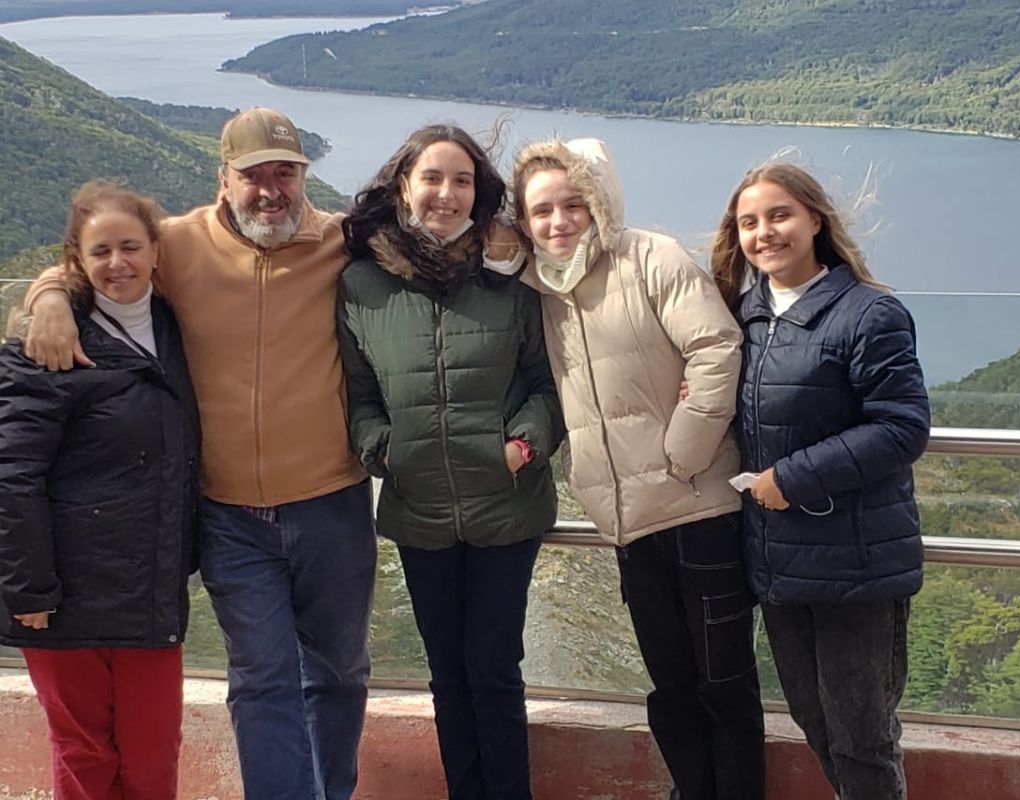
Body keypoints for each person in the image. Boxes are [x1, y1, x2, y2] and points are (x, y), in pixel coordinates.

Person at [20, 108, 376, 800]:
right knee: (263, 678)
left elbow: (441, 248)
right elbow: (92, 259)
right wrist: (49, 298)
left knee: (339, 674)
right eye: (254, 176)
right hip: (229, 514)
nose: (271, 190)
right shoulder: (178, 245)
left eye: (286, 173)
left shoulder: (340, 242)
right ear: (224, 178)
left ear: (303, 175)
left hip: (331, 501)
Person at [508, 138, 764, 800]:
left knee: (724, 685)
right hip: (629, 525)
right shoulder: (545, 288)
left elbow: (716, 347)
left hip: (699, 508)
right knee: (672, 688)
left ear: (598, 203)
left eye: (573, 204)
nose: (559, 221)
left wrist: (681, 454)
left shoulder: (650, 258)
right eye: (542, 211)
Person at [337, 124, 564, 800]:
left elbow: (548, 385)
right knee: (447, 673)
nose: (446, 193)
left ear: (479, 192)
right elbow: (357, 397)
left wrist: (522, 446)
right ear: (403, 186)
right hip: (420, 509)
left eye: (461, 179)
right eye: (432, 178)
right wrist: (385, 451)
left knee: (493, 667)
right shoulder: (360, 284)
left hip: (507, 504)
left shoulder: (510, 278)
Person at [710, 162, 930, 800]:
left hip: (856, 565)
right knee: (813, 720)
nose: (764, 232)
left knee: (862, 736)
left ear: (814, 220)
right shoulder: (741, 317)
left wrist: (793, 478)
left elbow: (901, 428)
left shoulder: (868, 314)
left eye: (779, 215)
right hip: (778, 564)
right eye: (749, 222)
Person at [0, 181, 200, 799]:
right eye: (101, 252)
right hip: (62, 596)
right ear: (76, 260)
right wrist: (28, 590)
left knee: (151, 758)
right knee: (86, 757)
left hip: (149, 591)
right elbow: (11, 474)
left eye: (131, 247)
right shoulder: (47, 345)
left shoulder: (177, 327)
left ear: (155, 251)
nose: (118, 264)